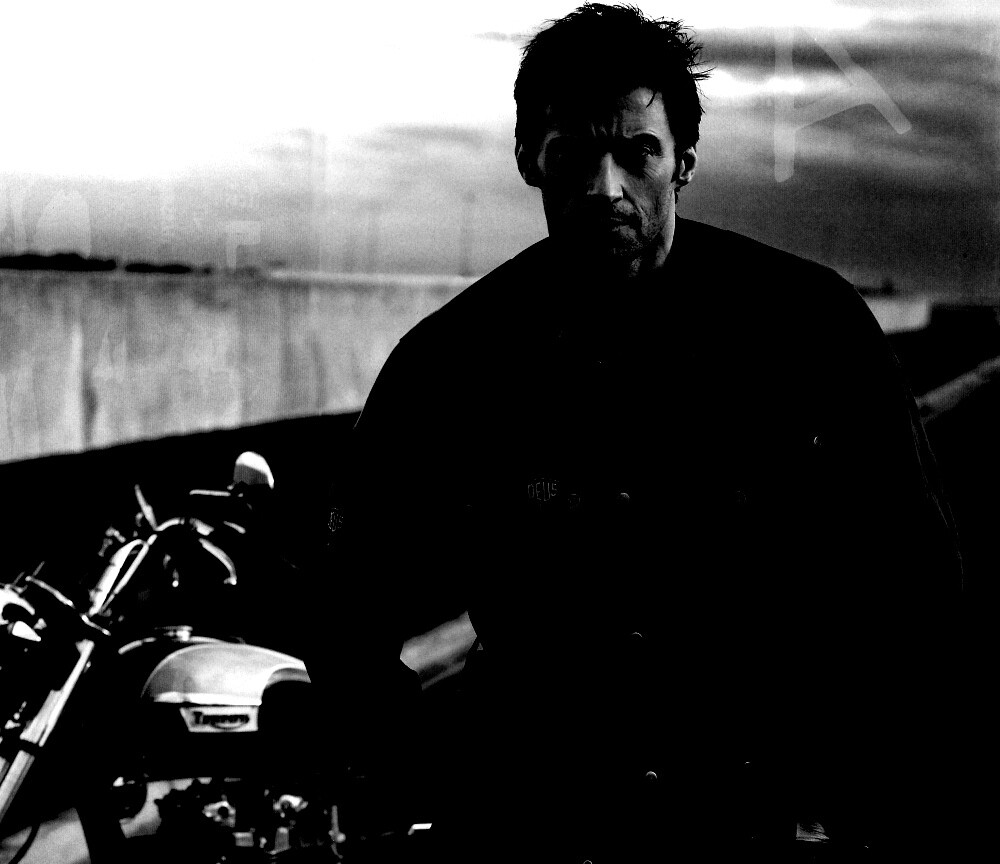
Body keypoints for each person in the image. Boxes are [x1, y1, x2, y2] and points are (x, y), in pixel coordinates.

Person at [308, 5, 964, 862]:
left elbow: (920, 590)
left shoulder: (812, 330)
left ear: (683, 158)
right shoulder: (452, 360)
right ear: (528, 158)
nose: (604, 189)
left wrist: (855, 802)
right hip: (538, 829)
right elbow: (344, 611)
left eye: (637, 152)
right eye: (573, 156)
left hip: (757, 820)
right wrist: (438, 780)